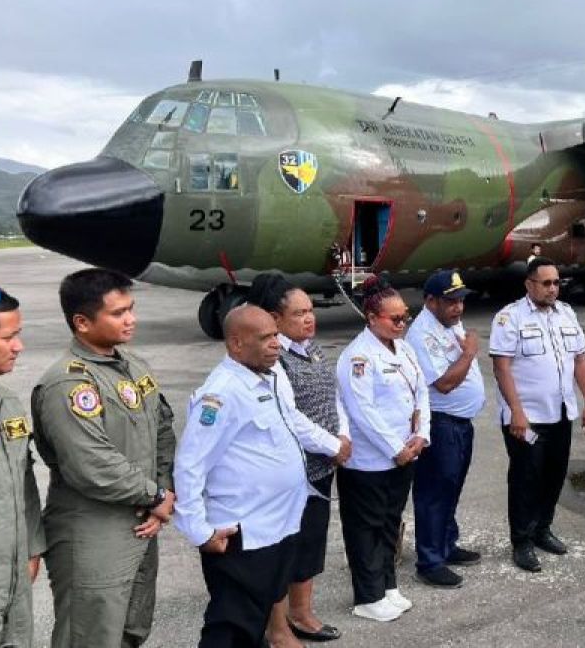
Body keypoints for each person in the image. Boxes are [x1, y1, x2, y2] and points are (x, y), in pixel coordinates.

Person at [31, 269, 176, 648]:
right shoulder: (69, 383)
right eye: (118, 313)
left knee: (130, 632)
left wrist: (163, 491)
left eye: (131, 309)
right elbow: (92, 464)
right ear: (82, 322)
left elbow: (162, 430)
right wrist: (157, 497)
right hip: (94, 534)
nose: (131, 319)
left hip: (140, 523)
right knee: (91, 636)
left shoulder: (132, 365)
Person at [174, 305, 310, 647]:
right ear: (236, 344)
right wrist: (199, 531)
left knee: (254, 623)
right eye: (265, 338)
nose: (276, 344)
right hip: (241, 533)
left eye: (276, 334)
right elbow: (190, 464)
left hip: (274, 527)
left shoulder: (268, 377)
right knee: (230, 628)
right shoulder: (221, 393)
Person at [246, 273, 352, 645]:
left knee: (310, 541)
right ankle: (280, 625)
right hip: (293, 469)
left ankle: (301, 612)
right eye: (299, 313)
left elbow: (332, 395)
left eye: (311, 311)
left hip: (321, 463)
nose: (309, 319)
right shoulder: (275, 359)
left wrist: (343, 436)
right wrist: (331, 443)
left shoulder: (312, 348)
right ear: (275, 319)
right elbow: (291, 416)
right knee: (287, 546)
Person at [489, 257, 585, 573]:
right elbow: (502, 367)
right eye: (546, 283)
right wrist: (516, 413)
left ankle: (542, 529)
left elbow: (580, 360)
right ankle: (521, 541)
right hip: (528, 416)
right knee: (525, 478)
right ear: (529, 284)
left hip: (561, 411)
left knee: (554, 474)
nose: (553, 288)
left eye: (556, 282)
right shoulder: (510, 317)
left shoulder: (566, 313)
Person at [336, 276, 430, 621]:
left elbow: (421, 393)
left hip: (406, 453)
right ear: (371, 317)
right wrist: (395, 448)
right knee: (367, 528)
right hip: (370, 460)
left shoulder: (403, 348)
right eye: (395, 319)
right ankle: (368, 596)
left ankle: (388, 586)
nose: (402, 323)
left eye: (405, 316)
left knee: (391, 522)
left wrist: (422, 435)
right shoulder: (358, 357)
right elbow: (362, 411)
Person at [406, 270, 487, 589]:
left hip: (459, 423)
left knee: (451, 487)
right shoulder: (422, 334)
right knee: (433, 493)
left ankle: (446, 544)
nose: (458, 308)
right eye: (450, 301)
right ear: (430, 301)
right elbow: (446, 383)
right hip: (440, 423)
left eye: (461, 301)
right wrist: (469, 352)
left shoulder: (448, 323)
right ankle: (430, 561)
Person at [0, 287, 44, 648]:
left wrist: (32, 548)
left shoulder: (7, 402)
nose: (18, 346)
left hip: (13, 574)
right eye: (8, 337)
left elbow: (24, 480)